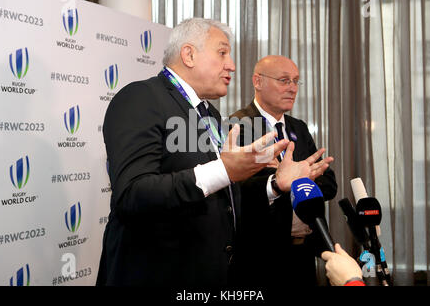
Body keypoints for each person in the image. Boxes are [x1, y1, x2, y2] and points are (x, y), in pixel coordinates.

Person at [96, 18, 332, 287]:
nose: (231, 64)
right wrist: (224, 170)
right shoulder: (141, 97)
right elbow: (132, 194)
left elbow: (225, 198)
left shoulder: (209, 114)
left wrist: (275, 185)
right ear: (189, 54)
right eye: (222, 52)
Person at [230, 55, 337, 287]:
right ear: (258, 82)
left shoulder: (298, 127)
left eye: (296, 81)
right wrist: (280, 181)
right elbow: (239, 192)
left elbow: (329, 184)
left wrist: (298, 179)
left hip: (305, 250)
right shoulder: (239, 126)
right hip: (262, 255)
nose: (292, 88)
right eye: (284, 80)